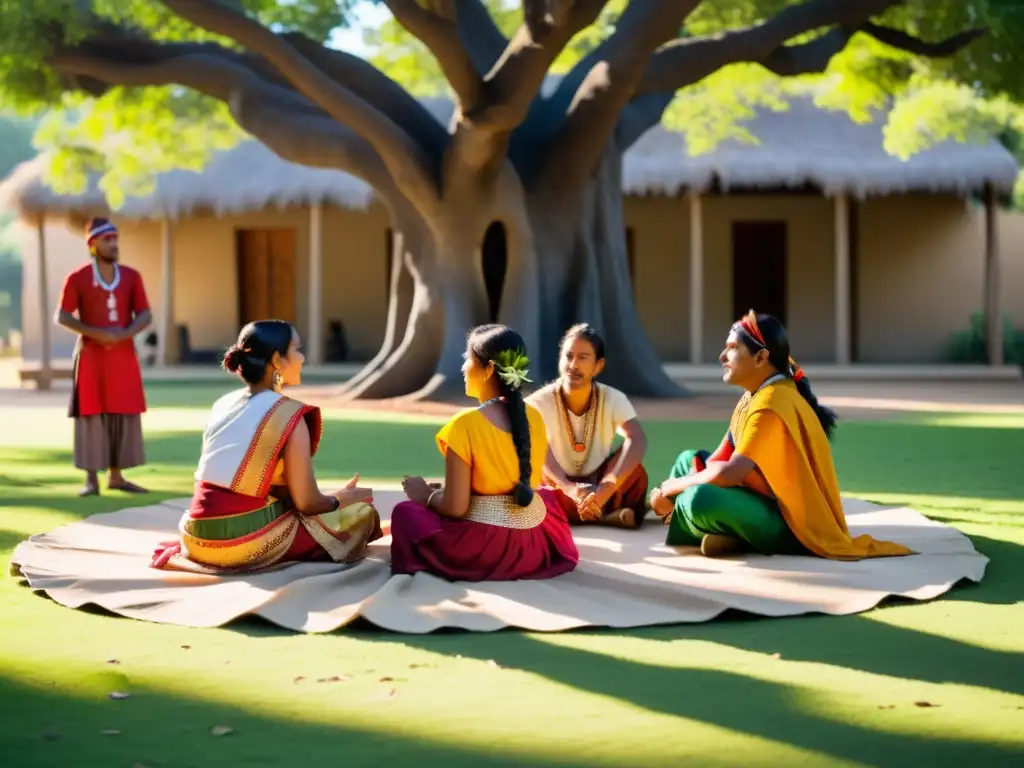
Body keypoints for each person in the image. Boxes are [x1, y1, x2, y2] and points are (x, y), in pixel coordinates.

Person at [649, 310, 913, 560]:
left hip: (789, 523)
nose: (722, 356)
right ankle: (723, 531)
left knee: (698, 499)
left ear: (761, 357)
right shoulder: (754, 395)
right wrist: (707, 475)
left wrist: (671, 488)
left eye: (732, 348)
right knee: (688, 460)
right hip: (756, 496)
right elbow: (719, 460)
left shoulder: (771, 403)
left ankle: (721, 529)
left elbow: (731, 473)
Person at [151, 320, 382, 573]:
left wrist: (329, 498)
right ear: (276, 359)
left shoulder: (223, 403)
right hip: (240, 543)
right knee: (362, 513)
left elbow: (253, 484)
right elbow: (307, 504)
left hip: (195, 536)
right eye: (297, 349)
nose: (302, 357)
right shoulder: (288, 413)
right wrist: (341, 499)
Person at [391, 324, 579, 581]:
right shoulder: (533, 416)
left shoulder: (465, 424)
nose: (463, 368)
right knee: (546, 496)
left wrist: (425, 495)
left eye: (467, 359)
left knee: (405, 513)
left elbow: (456, 508)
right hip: (534, 545)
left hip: (486, 550)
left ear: (489, 369)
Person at [56, 217, 151, 497]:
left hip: (123, 359)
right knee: (91, 412)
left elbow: (145, 313)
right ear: (93, 244)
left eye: (115, 239)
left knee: (121, 411)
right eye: (107, 240)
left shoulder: (131, 276)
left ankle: (117, 476)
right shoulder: (78, 278)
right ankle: (90, 480)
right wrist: (95, 333)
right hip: (91, 358)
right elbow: (62, 315)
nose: (113, 244)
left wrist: (125, 333)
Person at [527, 323, 650, 529]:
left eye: (582, 357)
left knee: (637, 474)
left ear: (598, 365)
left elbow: (636, 438)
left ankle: (590, 510)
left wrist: (607, 486)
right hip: (558, 483)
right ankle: (604, 515)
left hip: (600, 483)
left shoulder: (613, 398)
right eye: (568, 356)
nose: (573, 365)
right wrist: (569, 488)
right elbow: (534, 447)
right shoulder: (537, 402)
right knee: (534, 484)